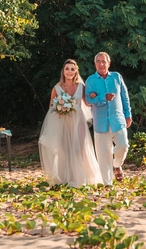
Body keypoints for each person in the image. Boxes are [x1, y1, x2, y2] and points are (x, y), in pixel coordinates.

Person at [38, 59, 104, 187]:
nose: (69, 71)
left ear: (76, 71)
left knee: (79, 149)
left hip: (79, 122)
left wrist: (93, 95)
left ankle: (81, 177)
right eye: (67, 69)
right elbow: (51, 107)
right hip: (64, 123)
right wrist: (59, 108)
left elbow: (87, 103)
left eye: (72, 69)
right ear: (63, 71)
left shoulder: (81, 87)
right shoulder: (57, 88)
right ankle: (68, 178)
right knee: (66, 151)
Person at [83, 52, 133, 185]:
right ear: (95, 64)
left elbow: (124, 96)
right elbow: (87, 100)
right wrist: (103, 98)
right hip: (100, 122)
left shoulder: (117, 77)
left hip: (118, 120)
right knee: (103, 155)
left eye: (104, 61)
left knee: (124, 145)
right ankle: (107, 184)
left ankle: (117, 165)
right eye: (98, 61)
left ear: (109, 63)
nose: (101, 64)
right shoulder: (90, 81)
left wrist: (128, 114)